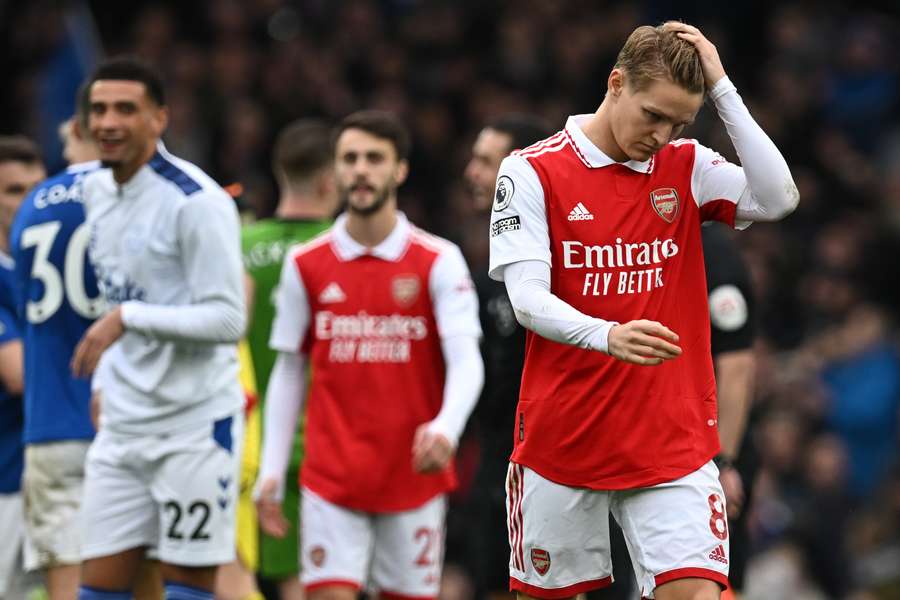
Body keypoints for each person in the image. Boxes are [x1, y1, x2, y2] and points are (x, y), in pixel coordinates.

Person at [488, 22, 798, 600]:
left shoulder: (686, 166)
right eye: (653, 115)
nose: (661, 135)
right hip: (565, 439)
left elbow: (779, 198)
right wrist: (607, 335)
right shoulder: (532, 170)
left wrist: (723, 87)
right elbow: (527, 300)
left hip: (672, 441)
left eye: (678, 123)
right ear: (615, 83)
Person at [256, 110, 483, 599]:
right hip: (331, 478)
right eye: (350, 159)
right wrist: (271, 468)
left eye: (374, 159)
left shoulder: (437, 259)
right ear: (335, 172)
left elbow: (467, 360)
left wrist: (446, 426)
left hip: (412, 476)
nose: (361, 170)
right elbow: (289, 370)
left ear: (399, 170)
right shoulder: (306, 263)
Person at [73, 56, 246, 600]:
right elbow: (116, 290)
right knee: (97, 588)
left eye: (126, 109)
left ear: (159, 118)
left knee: (187, 588)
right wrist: (104, 382)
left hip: (192, 426)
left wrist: (128, 320)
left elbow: (227, 318)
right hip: (123, 425)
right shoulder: (95, 191)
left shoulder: (198, 202)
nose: (109, 122)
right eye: (99, 109)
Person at [238, 118, 338, 600]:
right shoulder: (344, 249)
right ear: (329, 180)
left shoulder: (242, 246)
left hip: (254, 444)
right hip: (331, 443)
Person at [8, 88, 102, 600]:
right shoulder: (129, 196)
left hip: (50, 426)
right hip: (123, 419)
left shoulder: (33, 209)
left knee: (66, 577)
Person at [459, 114, 553, 600]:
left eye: (484, 161)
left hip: (555, 465)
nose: (472, 173)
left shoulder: (561, 265)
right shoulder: (479, 276)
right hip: (496, 463)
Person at [701, 223, 757, 600]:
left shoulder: (712, 252)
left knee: (715, 578)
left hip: (711, 449)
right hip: (659, 442)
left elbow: (736, 366)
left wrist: (724, 462)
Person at [0, 135, 45, 600]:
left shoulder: (44, 270)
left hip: (45, 470)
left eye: (36, 188)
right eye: (14, 191)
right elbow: (19, 376)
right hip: (3, 478)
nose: (29, 202)